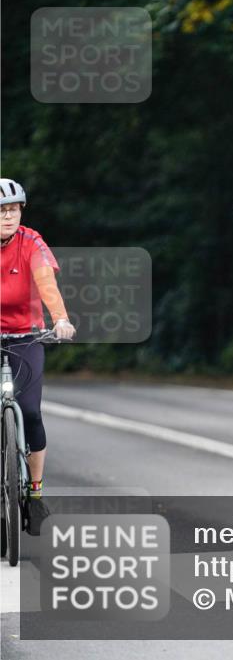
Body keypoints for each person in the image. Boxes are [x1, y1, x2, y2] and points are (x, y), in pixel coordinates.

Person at [0, 179, 76, 535]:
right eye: (1, 211)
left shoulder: (31, 242)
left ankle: (34, 493)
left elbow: (46, 282)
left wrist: (60, 319)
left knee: (29, 411)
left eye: (13, 209)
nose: (8, 216)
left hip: (25, 337)